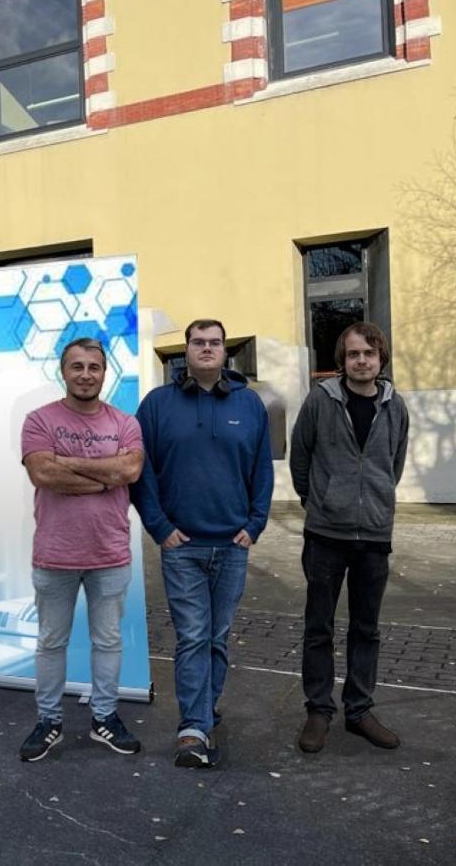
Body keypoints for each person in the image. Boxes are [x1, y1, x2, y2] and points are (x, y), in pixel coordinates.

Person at [131, 318, 273, 768]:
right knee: (193, 636)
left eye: (214, 342)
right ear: (186, 351)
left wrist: (256, 523)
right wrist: (159, 527)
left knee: (217, 638)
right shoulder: (157, 405)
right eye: (198, 342)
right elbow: (142, 471)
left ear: (225, 351)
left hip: (232, 545)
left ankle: (203, 711)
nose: (206, 348)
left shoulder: (249, 404)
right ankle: (193, 729)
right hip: (182, 547)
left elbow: (262, 469)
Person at [18, 338, 145, 762]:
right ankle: (49, 721)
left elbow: (131, 469)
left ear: (105, 372)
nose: (86, 374)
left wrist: (68, 462)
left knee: (107, 641)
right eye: (77, 366)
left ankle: (104, 717)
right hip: (55, 554)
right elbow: (43, 473)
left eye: (94, 367)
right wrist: (105, 478)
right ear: (63, 371)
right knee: (51, 642)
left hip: (109, 553)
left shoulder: (125, 422)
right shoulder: (40, 420)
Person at [290, 321, 409, 753]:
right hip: (325, 534)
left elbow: (394, 463)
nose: (362, 361)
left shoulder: (395, 406)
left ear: (381, 359)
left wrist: (375, 503)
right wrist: (317, 500)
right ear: (342, 359)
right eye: (354, 354)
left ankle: (359, 710)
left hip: (374, 535)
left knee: (366, 629)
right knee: (318, 627)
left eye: (369, 354)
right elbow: (300, 454)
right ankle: (319, 711)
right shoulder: (321, 400)